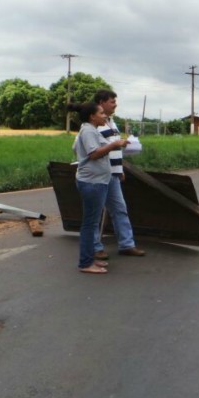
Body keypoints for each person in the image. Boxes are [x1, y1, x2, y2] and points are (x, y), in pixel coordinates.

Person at [70, 102, 129, 275]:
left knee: (91, 222)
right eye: (102, 113)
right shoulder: (88, 130)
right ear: (92, 116)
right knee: (90, 224)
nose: (105, 116)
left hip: (97, 181)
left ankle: (89, 258)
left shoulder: (92, 130)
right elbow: (94, 153)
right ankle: (85, 263)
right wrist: (114, 145)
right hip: (92, 183)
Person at [92, 90, 146, 260]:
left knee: (120, 210)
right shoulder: (93, 125)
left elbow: (113, 148)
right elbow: (93, 151)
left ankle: (126, 245)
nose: (115, 104)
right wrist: (116, 143)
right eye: (112, 101)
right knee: (94, 213)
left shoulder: (111, 122)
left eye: (115, 101)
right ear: (101, 102)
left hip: (113, 175)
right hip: (98, 175)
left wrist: (119, 169)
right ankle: (94, 247)